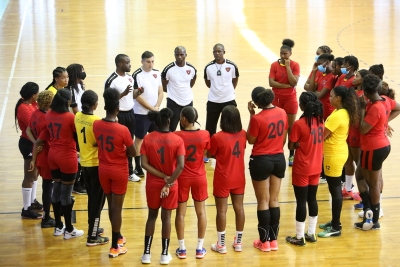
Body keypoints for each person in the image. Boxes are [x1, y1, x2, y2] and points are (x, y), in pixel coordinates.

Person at [30, 88, 84, 239]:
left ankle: (58, 227)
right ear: (67, 101)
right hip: (67, 157)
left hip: (52, 156)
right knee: (66, 194)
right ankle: (69, 229)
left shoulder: (48, 115)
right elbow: (77, 138)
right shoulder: (70, 117)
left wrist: (34, 157)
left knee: (56, 189)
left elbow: (41, 138)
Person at [93, 88, 136, 257]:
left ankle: (118, 236)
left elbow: (97, 142)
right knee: (117, 209)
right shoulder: (122, 129)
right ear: (118, 109)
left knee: (111, 205)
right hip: (118, 170)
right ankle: (115, 246)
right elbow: (133, 152)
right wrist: (122, 149)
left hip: (103, 169)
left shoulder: (96, 124)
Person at [355, 74, 400, 231]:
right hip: (380, 145)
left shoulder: (375, 108)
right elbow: (398, 107)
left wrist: (361, 109)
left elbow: (362, 129)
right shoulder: (384, 100)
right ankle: (368, 210)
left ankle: (373, 219)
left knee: (372, 184)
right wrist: (384, 122)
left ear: (365, 92)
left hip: (373, 148)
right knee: (359, 175)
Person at [140, 108, 185, 265]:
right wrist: (169, 182)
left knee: (151, 217)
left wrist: (161, 177)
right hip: (171, 185)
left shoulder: (147, 139)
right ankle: (165, 254)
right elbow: (180, 166)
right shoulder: (177, 140)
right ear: (168, 121)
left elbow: (143, 164)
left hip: (153, 184)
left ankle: (146, 254)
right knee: (166, 219)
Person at [247, 87, 288, 252]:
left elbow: (250, 140)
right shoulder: (283, 112)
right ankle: (274, 241)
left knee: (263, 201)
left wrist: (251, 115)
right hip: (279, 158)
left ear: (256, 103)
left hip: (261, 160)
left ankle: (264, 242)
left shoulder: (257, 118)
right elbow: (284, 136)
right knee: (274, 200)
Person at [318, 86, 359, 238]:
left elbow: (321, 135)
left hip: (333, 155)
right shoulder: (340, 111)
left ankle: (336, 226)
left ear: (339, 98)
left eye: (332, 96)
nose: (329, 98)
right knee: (334, 190)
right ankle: (335, 221)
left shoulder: (338, 115)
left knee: (335, 191)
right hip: (337, 151)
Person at [285, 92, 324, 246]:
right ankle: (311, 233)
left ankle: (299, 236)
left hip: (302, 167)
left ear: (302, 106)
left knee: (301, 202)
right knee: (312, 199)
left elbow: (290, 145)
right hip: (316, 167)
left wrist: (297, 144)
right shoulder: (321, 122)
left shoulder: (299, 124)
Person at [207, 105, 246, 254]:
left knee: (221, 211)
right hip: (239, 177)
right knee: (239, 209)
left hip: (223, 178)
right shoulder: (243, 134)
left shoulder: (217, 137)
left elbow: (209, 154)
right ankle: (239, 243)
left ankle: (221, 245)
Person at [173, 107, 210, 259]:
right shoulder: (205, 134)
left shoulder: (176, 135)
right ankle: (200, 249)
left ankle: (182, 249)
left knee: (180, 213)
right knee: (201, 212)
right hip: (199, 177)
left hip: (182, 178)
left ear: (183, 119)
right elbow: (206, 154)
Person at [75, 90, 109, 246]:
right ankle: (92, 237)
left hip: (84, 165)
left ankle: (93, 229)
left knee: (93, 200)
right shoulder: (96, 121)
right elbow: (101, 142)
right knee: (97, 203)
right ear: (95, 104)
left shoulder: (77, 116)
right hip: (95, 166)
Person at [105, 54, 142, 182]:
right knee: (118, 144)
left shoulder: (130, 78)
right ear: (120, 64)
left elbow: (132, 95)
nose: (130, 64)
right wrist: (123, 94)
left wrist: (138, 92)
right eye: (127, 62)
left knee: (129, 142)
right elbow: (109, 100)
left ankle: (130, 172)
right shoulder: (112, 80)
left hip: (130, 113)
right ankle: (116, 168)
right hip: (118, 115)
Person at [132, 51, 164, 178]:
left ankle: (155, 162)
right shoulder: (136, 75)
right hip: (141, 113)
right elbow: (137, 97)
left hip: (154, 112)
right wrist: (152, 108)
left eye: (152, 61)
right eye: (148, 62)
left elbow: (160, 92)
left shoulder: (157, 73)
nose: (151, 64)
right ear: (142, 62)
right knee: (139, 139)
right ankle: (138, 167)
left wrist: (156, 107)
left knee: (157, 137)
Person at [268, 39, 300, 166]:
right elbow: (271, 83)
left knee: (291, 127)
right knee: (278, 127)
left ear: (290, 54)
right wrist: (287, 85)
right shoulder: (274, 65)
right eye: (281, 53)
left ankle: (291, 155)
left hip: (290, 100)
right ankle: (278, 153)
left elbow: (294, 82)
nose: (282, 56)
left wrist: (287, 68)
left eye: (285, 54)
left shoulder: (294, 65)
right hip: (277, 99)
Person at [26, 90, 55, 227]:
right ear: (49, 102)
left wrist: (35, 143)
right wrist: (38, 143)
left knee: (47, 185)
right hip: (47, 155)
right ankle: (47, 217)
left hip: (39, 155)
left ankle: (47, 215)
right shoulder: (47, 118)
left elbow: (28, 130)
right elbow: (41, 140)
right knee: (48, 187)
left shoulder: (35, 113)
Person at [15, 82, 42, 219]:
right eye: (37, 93)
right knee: (29, 176)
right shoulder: (24, 108)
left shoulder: (32, 104)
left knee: (35, 174)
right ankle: (26, 209)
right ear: (33, 95)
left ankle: (33, 201)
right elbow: (34, 126)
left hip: (35, 144)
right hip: (28, 144)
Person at [342, 69, 369, 201]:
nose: (354, 78)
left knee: (359, 164)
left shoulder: (363, 95)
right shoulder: (354, 91)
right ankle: (348, 189)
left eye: (357, 76)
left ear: (363, 80)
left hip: (356, 131)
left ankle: (364, 194)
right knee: (348, 160)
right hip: (349, 129)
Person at [204, 43, 239, 139]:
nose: (217, 53)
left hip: (228, 100)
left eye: (219, 51)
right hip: (213, 101)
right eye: (215, 51)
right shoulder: (208, 67)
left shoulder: (232, 66)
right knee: (210, 128)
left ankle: (230, 144)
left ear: (224, 52)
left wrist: (227, 91)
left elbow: (234, 80)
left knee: (230, 126)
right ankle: (210, 151)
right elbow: (208, 83)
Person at [161, 46, 197, 131]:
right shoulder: (168, 69)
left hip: (188, 102)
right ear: (174, 55)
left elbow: (191, 83)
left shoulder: (191, 69)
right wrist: (173, 92)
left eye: (181, 54)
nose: (179, 57)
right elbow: (163, 86)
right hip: (173, 102)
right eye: (177, 55)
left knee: (187, 128)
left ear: (186, 55)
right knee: (171, 128)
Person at [68, 63, 87, 194]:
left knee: (82, 154)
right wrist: (84, 121)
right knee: (78, 154)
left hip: (83, 123)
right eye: (81, 71)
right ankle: (75, 183)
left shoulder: (80, 86)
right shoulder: (70, 90)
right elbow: (75, 110)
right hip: (76, 125)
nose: (83, 73)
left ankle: (80, 180)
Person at [306, 54, 336, 120]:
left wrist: (314, 91)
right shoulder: (320, 73)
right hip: (318, 108)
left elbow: (320, 95)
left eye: (320, 64)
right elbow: (310, 89)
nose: (318, 66)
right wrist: (314, 72)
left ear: (327, 62)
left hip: (327, 109)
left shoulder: (332, 76)